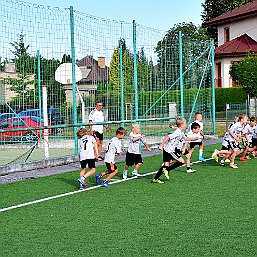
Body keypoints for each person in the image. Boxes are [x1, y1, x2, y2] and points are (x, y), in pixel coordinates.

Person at [152, 117, 199, 184]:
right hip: (169, 150)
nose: (186, 125)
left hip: (166, 149)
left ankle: (155, 178)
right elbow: (168, 137)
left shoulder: (181, 132)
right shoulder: (177, 132)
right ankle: (167, 170)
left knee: (166, 164)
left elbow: (185, 138)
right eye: (185, 124)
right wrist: (161, 145)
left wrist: (193, 139)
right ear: (181, 125)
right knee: (181, 161)